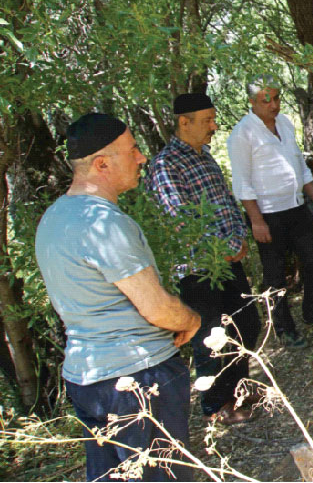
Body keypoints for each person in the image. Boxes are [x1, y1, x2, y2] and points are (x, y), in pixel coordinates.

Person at [35, 113, 201, 482]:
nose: (142, 158)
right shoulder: (103, 223)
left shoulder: (53, 219)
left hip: (87, 379)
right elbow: (157, 308)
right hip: (136, 379)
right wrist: (191, 321)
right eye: (133, 150)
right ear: (102, 163)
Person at [146, 93, 262, 425]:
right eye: (208, 120)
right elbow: (178, 218)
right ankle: (215, 405)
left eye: (214, 119)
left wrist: (239, 238)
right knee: (211, 336)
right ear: (185, 122)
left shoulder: (205, 156)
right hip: (198, 269)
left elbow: (227, 201)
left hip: (229, 261)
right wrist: (220, 248)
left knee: (246, 324)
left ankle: (238, 391)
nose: (214, 126)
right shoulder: (167, 163)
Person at [227, 79, 313, 348]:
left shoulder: (283, 122)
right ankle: (284, 329)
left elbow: (298, 162)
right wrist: (256, 220)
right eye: (266, 100)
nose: (273, 105)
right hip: (268, 215)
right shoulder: (242, 134)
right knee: (275, 275)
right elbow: (242, 182)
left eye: (276, 98)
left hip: (296, 207)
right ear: (252, 102)